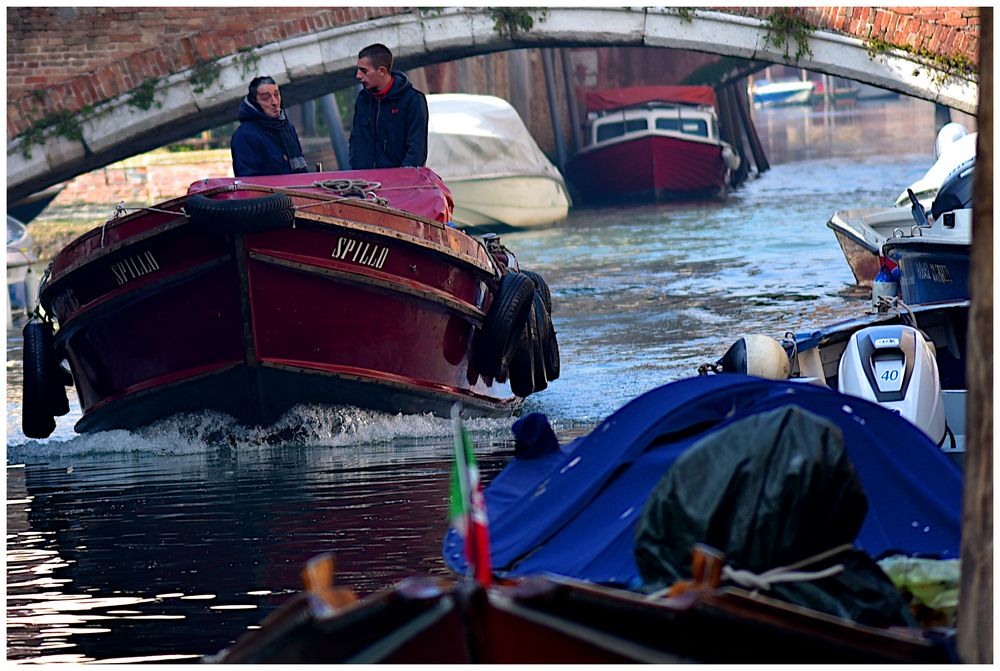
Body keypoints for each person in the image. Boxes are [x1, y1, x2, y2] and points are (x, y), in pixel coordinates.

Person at [349, 43, 429, 170]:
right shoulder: (363, 99)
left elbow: (416, 148)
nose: (358, 75)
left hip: (398, 184)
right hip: (363, 182)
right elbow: (355, 138)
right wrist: (355, 163)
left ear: (382, 71)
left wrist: (403, 177)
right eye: (358, 70)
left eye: (364, 71)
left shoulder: (413, 100)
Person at [231, 76, 308, 177]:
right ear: (255, 103)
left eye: (276, 95)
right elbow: (248, 183)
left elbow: (302, 174)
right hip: (271, 192)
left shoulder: (288, 129)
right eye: (266, 98)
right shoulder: (245, 136)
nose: (275, 102)